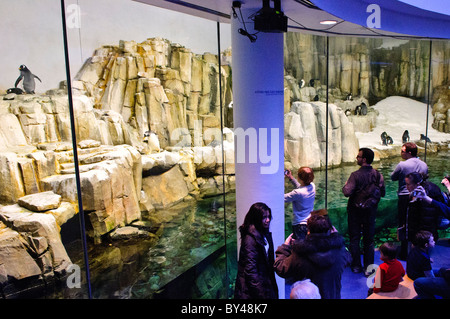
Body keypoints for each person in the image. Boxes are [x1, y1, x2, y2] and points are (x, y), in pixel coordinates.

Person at [274, 214, 351, 299]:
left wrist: (285, 247)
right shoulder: (339, 251)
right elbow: (348, 258)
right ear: (330, 229)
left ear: (308, 231)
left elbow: (280, 268)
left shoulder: (300, 253)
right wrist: (336, 237)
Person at [342, 148, 385, 276]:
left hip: (355, 211)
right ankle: (369, 268)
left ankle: (356, 266)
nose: (357, 158)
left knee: (354, 238)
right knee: (369, 240)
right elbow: (382, 193)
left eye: (358, 156)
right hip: (370, 212)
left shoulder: (355, 175)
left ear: (364, 159)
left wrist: (345, 185)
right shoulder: (378, 175)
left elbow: (346, 192)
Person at [391, 142, 428, 259]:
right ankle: (417, 249)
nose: (401, 153)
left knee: (403, 223)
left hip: (404, 196)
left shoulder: (402, 165)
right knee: (417, 222)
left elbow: (393, 177)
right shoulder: (424, 164)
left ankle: (404, 252)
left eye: (403, 151)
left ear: (409, 152)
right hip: (419, 196)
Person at [234, 202, 278, 299]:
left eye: (269, 217)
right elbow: (251, 272)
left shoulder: (263, 234)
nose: (267, 220)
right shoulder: (250, 240)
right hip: (251, 292)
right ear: (256, 218)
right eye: (264, 217)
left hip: (262, 285)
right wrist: (261, 295)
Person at [404, 172, 444, 244]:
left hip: (424, 236)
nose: (406, 187)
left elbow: (427, 218)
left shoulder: (424, 194)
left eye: (408, 184)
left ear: (417, 184)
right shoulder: (419, 191)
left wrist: (419, 237)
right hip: (425, 234)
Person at [284, 167, 316, 241]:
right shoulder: (312, 186)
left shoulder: (297, 193)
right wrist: (291, 178)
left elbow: (282, 198)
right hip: (308, 223)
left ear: (299, 177)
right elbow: (301, 188)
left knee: (300, 248)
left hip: (299, 225)